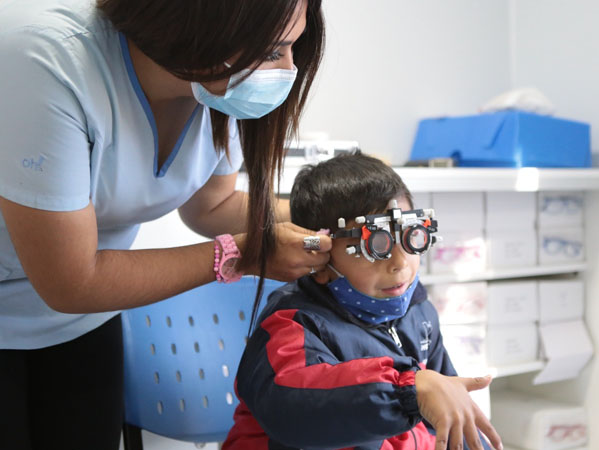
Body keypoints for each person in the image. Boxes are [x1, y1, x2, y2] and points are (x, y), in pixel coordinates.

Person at [0, 0, 331, 448]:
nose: (287, 71)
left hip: (81, 321)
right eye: (274, 50)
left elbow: (211, 206)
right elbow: (71, 282)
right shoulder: (46, 63)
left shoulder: (213, 89)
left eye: (293, 46)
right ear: (201, 27)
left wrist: (332, 212)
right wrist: (241, 254)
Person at [223, 151, 503, 450]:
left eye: (410, 237)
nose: (400, 263)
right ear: (319, 255)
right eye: (377, 245)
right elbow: (295, 409)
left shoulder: (419, 312)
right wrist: (407, 392)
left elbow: (446, 412)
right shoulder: (293, 325)